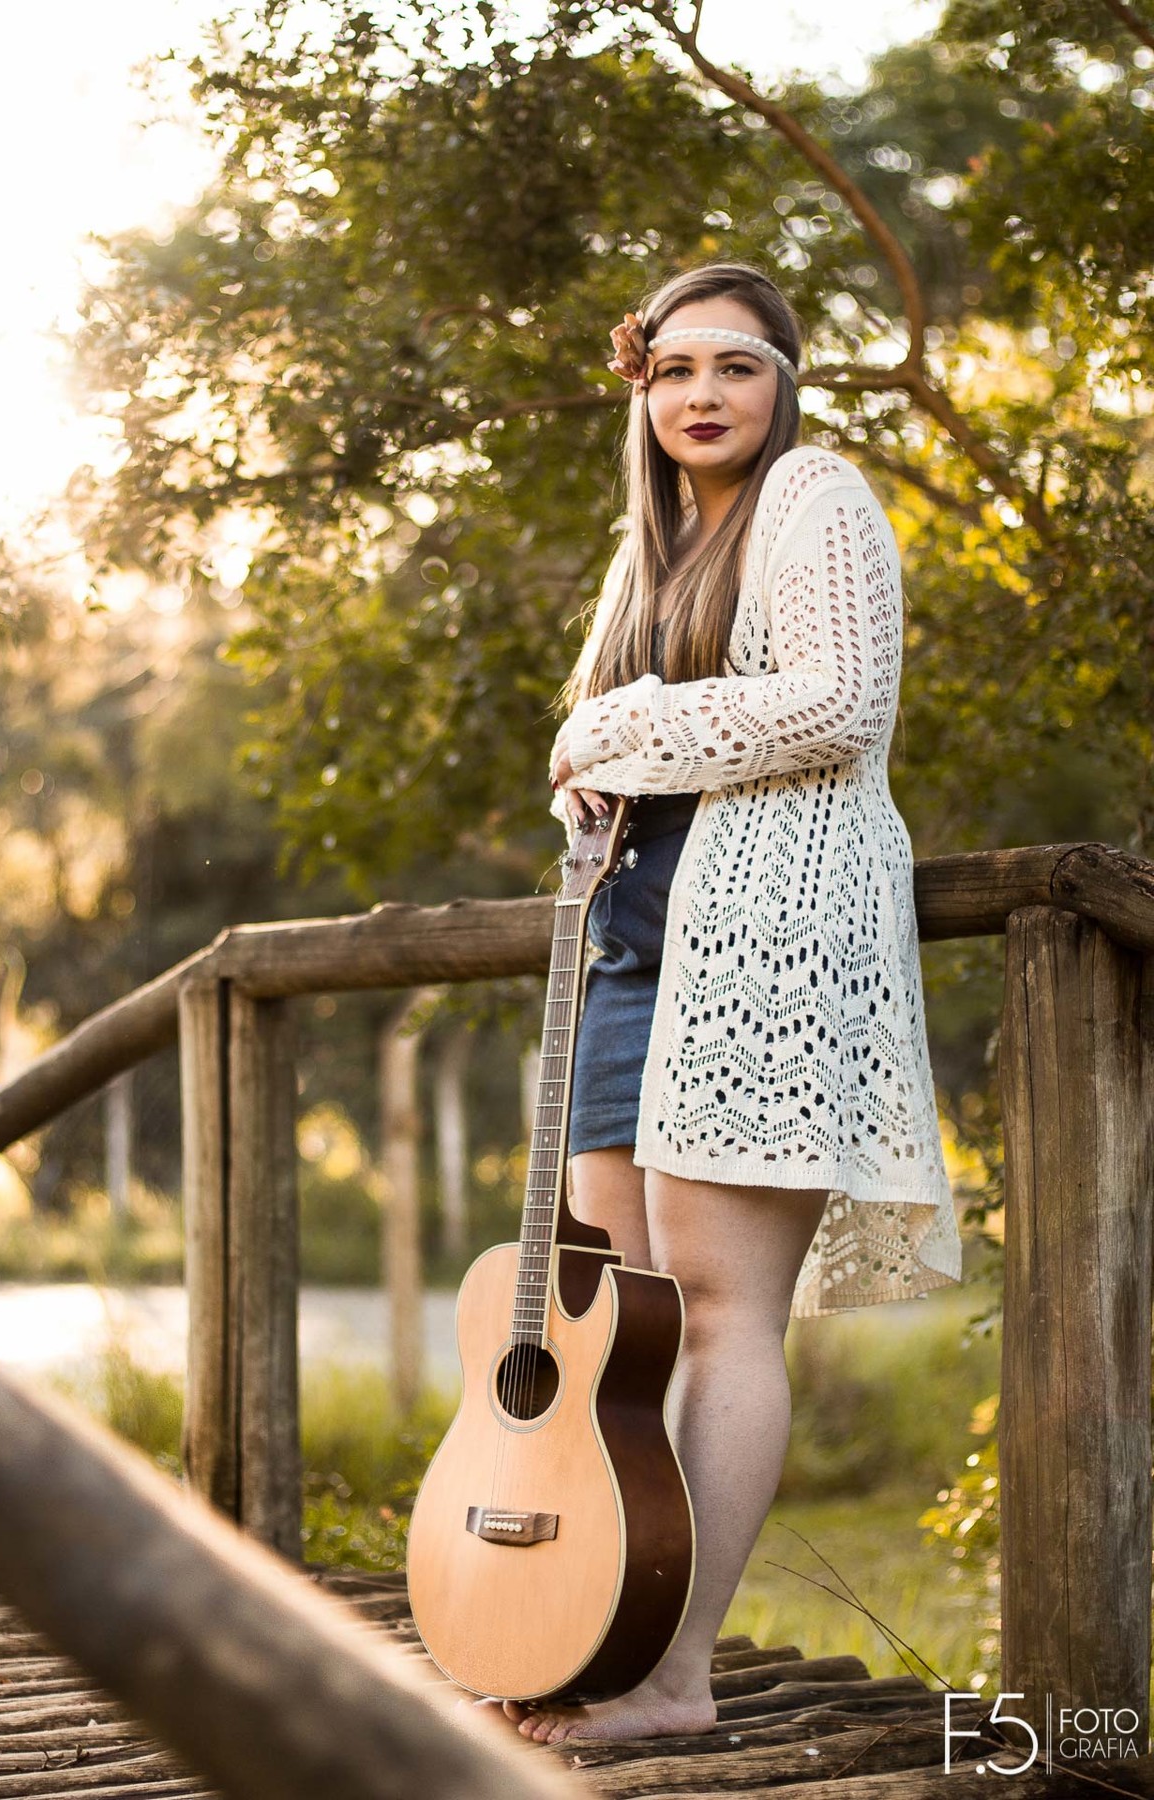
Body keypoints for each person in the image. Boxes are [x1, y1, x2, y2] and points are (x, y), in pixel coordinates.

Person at [507, 260, 961, 1745]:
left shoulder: (815, 498)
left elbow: (842, 705)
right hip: (628, 961)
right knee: (625, 1329)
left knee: (719, 1314)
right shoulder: (645, 550)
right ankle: (606, 1633)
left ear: (784, 385)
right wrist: (585, 758)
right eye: (677, 371)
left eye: (738, 367)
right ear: (643, 394)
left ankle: (679, 1672)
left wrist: (624, 723)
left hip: (759, 958)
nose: (704, 395)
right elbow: (611, 752)